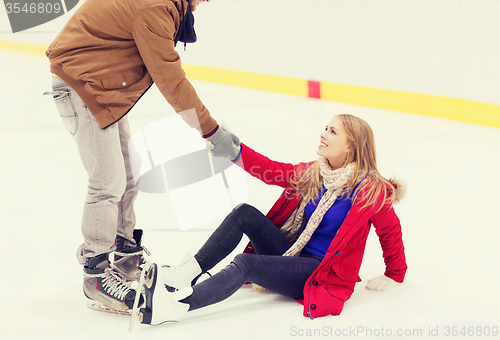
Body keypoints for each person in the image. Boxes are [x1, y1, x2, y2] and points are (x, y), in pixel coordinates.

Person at [44, 0, 239, 313]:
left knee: (128, 174)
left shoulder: (167, 6)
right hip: (81, 83)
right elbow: (171, 80)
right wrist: (211, 131)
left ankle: (124, 257)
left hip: (101, 85)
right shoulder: (155, 9)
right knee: (107, 180)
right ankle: (96, 274)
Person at [135, 113, 408, 324]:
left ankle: (178, 306)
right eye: (326, 127)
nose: (323, 134)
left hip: (318, 272)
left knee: (246, 263)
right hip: (292, 254)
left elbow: (390, 233)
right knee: (244, 213)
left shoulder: (372, 191)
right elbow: (271, 170)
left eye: (332, 131)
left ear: (351, 147)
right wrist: (235, 151)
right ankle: (184, 275)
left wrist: (395, 275)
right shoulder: (315, 173)